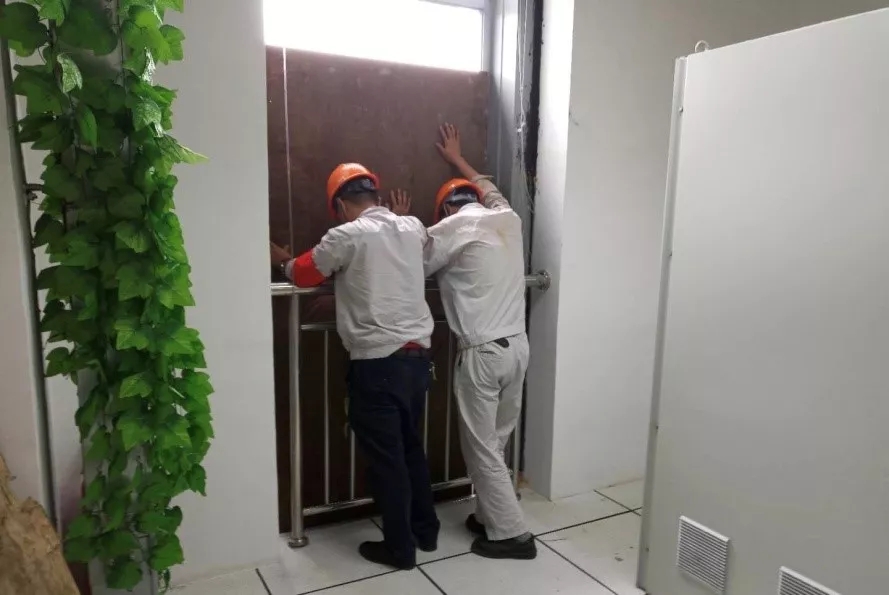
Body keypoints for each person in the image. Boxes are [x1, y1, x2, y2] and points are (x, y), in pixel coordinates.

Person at [270, 163, 440, 570]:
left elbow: (304, 273)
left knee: (388, 460)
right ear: (376, 197)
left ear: (341, 206)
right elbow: (412, 250)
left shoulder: (346, 235)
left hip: (378, 364)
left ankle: (399, 549)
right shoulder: (412, 226)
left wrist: (281, 260)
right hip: (418, 361)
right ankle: (426, 531)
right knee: (411, 447)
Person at [424, 124, 535, 559]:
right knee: (496, 441)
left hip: (484, 353)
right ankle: (491, 514)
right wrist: (458, 159)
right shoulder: (508, 218)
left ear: (445, 210)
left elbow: (413, 262)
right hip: (517, 348)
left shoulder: (452, 228)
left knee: (481, 448)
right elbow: (491, 190)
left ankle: (512, 535)